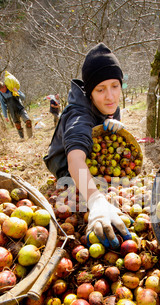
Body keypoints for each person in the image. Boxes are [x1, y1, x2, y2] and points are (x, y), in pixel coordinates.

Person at [44, 42, 132, 249]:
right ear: (89, 92)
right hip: (65, 163)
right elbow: (74, 157)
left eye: (115, 86)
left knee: (113, 179)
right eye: (100, 89)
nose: (110, 96)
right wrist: (95, 200)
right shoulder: (79, 115)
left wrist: (118, 128)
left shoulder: (108, 105)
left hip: (91, 156)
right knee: (85, 191)